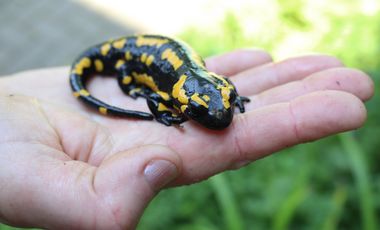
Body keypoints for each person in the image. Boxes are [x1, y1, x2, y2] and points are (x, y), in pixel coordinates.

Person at [0, 49, 373, 229]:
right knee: (130, 75)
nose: (217, 116)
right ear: (180, 100)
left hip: (171, 61)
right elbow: (154, 96)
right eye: (196, 111)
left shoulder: (213, 88)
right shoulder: (170, 91)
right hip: (128, 55)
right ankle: (119, 80)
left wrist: (235, 97)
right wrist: (155, 108)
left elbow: (222, 88)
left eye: (226, 103)